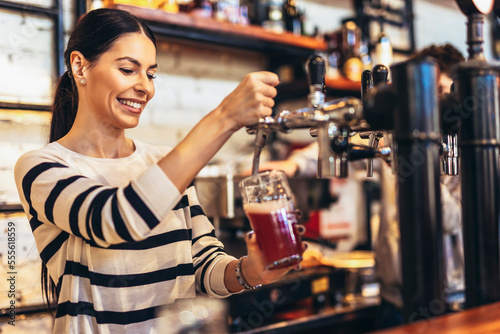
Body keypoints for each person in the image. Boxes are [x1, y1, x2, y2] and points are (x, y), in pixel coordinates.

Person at [13, 8, 303, 333]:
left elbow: (202, 264)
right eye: (127, 69)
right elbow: (115, 220)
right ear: (80, 66)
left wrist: (250, 271)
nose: (145, 88)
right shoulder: (43, 167)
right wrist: (224, 117)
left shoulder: (161, 163)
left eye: (150, 75)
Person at [251, 43, 465, 329]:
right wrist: (294, 164)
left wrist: (413, 164)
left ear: (455, 94)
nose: (425, 104)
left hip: (449, 301)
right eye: (418, 93)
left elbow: (453, 221)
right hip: (393, 300)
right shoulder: (393, 137)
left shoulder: (465, 151)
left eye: (436, 92)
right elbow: (342, 145)